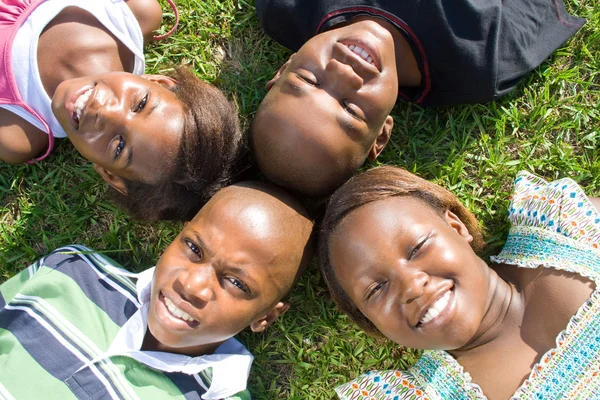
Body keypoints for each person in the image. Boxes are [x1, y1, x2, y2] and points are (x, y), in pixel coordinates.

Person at [0, 181, 314, 399]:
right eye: (193, 247)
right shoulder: (71, 270)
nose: (191, 285)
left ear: (266, 317)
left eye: (236, 283)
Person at [250, 0, 585, 197]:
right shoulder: (483, 59)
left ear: (283, 69)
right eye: (350, 109)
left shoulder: (286, 8)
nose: (344, 73)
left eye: (309, 79)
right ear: (381, 134)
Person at [318, 166, 600, 399]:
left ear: (456, 227)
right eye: (376, 289)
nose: (413, 287)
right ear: (369, 322)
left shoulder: (566, 229)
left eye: (417, 248)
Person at [0, 0, 243, 221]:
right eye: (140, 103)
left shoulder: (16, 132)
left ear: (110, 175)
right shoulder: (137, 13)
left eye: (118, 147)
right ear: (161, 82)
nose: (105, 111)